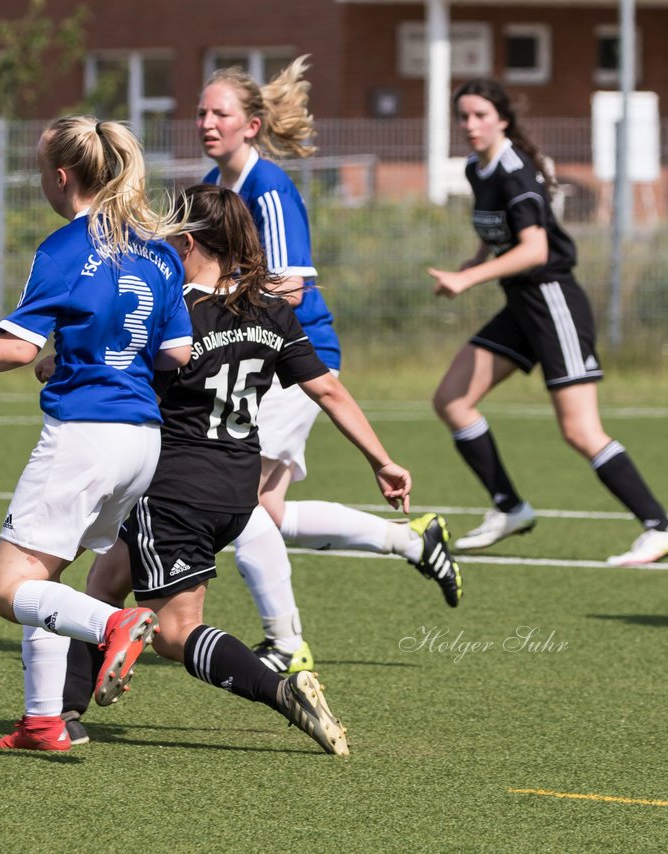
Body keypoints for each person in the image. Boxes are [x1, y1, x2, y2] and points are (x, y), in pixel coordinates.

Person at [55, 184, 444, 754]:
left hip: (174, 489)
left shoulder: (175, 310)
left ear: (187, 242)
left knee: (174, 633)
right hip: (237, 490)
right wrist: (382, 461)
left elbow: (122, 369)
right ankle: (65, 712)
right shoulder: (271, 310)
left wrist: (58, 367)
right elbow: (329, 390)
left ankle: (281, 690)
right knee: (107, 577)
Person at [0, 115, 193, 751]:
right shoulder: (160, 252)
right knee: (44, 577)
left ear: (61, 178)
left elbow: (15, 350)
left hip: (86, 435)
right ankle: (42, 721)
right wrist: (89, 353)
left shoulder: (64, 249)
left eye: (39, 172)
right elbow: (177, 353)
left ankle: (114, 625)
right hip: (142, 441)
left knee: (9, 588)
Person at [197, 57, 462, 676]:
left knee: (245, 508)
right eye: (202, 112)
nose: (207, 122)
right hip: (259, 356)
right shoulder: (220, 182)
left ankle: (287, 646)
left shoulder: (269, 190)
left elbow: (288, 288)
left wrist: (219, 310)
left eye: (220, 113)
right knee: (267, 513)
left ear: (252, 125)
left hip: (293, 358)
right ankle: (410, 540)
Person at [427, 78, 668, 566]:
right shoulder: (475, 168)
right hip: (521, 307)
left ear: (502, 119)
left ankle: (661, 526)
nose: (469, 125)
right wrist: (474, 260)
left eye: (480, 115)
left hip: (553, 303)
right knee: (452, 400)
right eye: (463, 116)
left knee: (580, 430)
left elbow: (536, 249)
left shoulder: (513, 170)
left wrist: (471, 280)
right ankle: (509, 507)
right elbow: (497, 231)